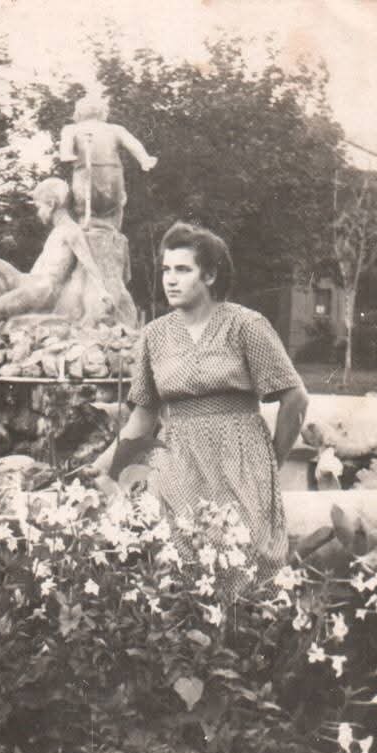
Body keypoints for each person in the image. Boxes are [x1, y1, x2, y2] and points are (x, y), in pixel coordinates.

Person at [93, 222, 309, 584]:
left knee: (245, 566)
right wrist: (101, 468)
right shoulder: (154, 336)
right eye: (166, 270)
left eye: (183, 270)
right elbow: (142, 418)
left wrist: (272, 462)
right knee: (176, 567)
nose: (170, 280)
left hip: (239, 462)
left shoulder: (246, 326)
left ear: (209, 275)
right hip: (176, 465)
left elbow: (295, 399)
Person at [0, 178, 114, 374]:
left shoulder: (71, 231)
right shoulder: (56, 232)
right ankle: (9, 309)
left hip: (44, 289)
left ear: (51, 204)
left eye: (39, 207)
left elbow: (89, 263)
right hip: (30, 282)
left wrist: (103, 292)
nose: (37, 212)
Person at [59, 94, 157, 231]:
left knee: (84, 208)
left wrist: (67, 154)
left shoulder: (72, 129)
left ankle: (90, 231)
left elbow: (65, 146)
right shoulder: (115, 129)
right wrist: (144, 159)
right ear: (103, 112)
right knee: (114, 208)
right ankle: (111, 233)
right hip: (110, 175)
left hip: (85, 174)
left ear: (78, 112)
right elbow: (133, 144)